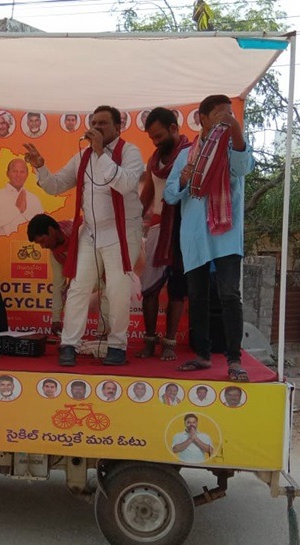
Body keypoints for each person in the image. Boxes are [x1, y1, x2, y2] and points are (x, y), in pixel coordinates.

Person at [24, 105, 144, 367]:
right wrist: (41, 168)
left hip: (122, 231)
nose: (97, 128)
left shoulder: (130, 152)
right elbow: (56, 186)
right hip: (91, 231)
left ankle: (117, 345)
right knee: (78, 287)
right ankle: (69, 344)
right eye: (94, 123)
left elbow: (124, 184)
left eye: (103, 123)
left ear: (117, 127)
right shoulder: (83, 156)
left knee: (117, 289)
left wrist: (101, 152)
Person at [164, 94, 254, 382]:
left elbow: (242, 168)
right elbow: (169, 195)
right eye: (220, 114)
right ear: (202, 119)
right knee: (198, 297)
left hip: (226, 234)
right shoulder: (185, 155)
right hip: (194, 236)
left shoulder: (232, 147)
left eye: (231, 113)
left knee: (230, 295)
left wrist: (235, 129)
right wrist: (182, 178)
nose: (227, 118)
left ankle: (234, 360)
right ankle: (202, 356)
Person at [136, 107, 191, 361]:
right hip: (158, 229)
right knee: (149, 289)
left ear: (173, 128)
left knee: (177, 289)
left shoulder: (192, 155)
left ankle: (169, 343)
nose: (156, 142)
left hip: (184, 229)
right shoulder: (154, 160)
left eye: (158, 136)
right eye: (152, 139)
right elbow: (148, 194)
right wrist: (133, 218)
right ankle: (149, 340)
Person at [27, 214, 109, 336]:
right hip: (85, 275)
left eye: (42, 241)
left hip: (104, 268)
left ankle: (104, 336)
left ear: (50, 230)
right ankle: (71, 339)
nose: (43, 247)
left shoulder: (80, 230)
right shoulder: (56, 253)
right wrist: (55, 319)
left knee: (107, 291)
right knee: (70, 292)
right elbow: (58, 286)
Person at [0, 158, 44, 238]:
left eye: (22, 172)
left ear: (27, 175)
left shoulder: (34, 199)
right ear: (8, 173)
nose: (18, 175)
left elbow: (41, 227)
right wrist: (16, 209)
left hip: (27, 246)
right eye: (15, 171)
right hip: (2, 246)